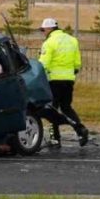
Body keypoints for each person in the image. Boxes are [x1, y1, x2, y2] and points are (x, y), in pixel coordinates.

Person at [38, 17, 88, 147]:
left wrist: (38, 75)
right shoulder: (72, 40)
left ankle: (55, 139)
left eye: (43, 30)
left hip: (53, 80)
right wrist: (73, 72)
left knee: (51, 110)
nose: (42, 32)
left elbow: (43, 63)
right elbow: (77, 62)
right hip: (69, 79)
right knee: (66, 107)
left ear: (49, 29)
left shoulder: (49, 42)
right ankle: (80, 130)